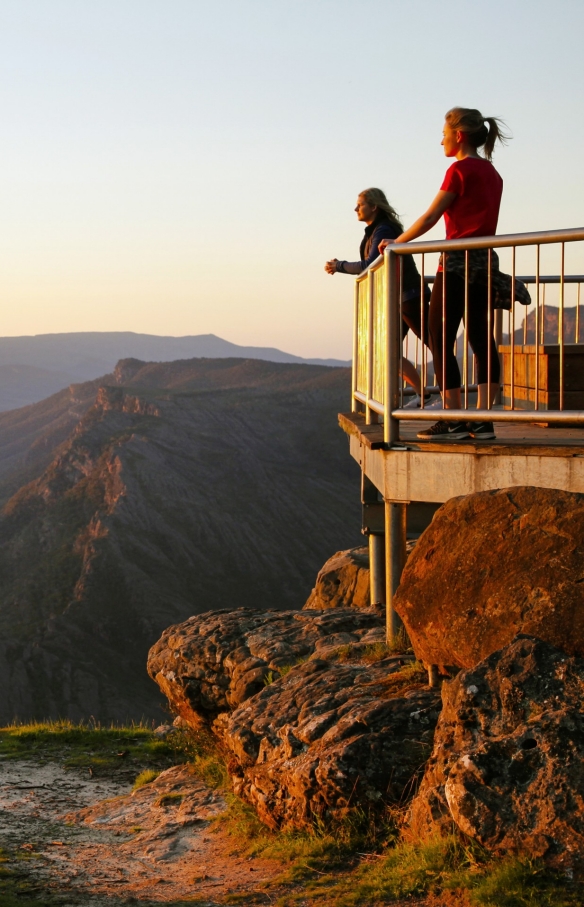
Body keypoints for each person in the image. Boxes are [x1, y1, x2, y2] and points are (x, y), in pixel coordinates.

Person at [379, 108, 510, 439]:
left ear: (459, 135)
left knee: (440, 336)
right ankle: (483, 420)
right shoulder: (493, 174)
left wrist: (397, 242)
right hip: (484, 261)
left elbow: (430, 217)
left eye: (444, 134)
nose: (441, 140)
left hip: (455, 262)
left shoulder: (458, 171)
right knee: (480, 337)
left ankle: (452, 418)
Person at [325, 188, 433, 408]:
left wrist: (339, 266)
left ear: (374, 207)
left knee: (435, 345)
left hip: (408, 296)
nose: (356, 208)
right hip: (399, 297)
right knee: (387, 351)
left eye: (360, 204)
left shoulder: (383, 229)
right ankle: (424, 395)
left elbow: (371, 264)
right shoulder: (376, 230)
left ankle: (448, 400)